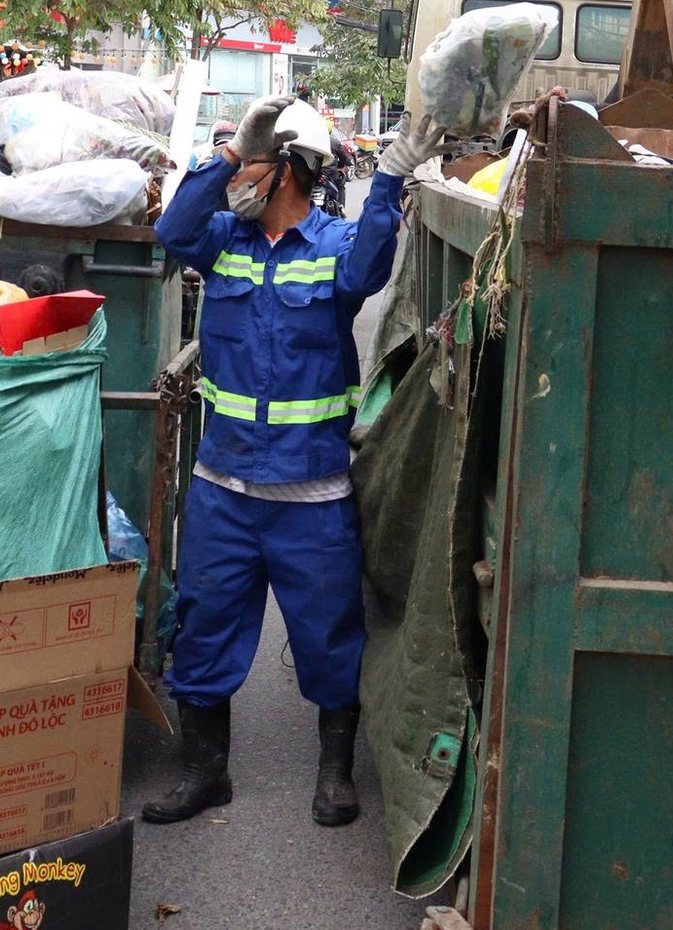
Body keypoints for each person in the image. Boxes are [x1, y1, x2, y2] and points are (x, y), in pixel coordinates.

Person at [146, 94, 440, 827]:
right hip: (225, 489)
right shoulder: (222, 241)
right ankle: (203, 772)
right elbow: (171, 229)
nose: (239, 179)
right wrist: (223, 157)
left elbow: (369, 271)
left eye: (250, 165)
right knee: (204, 625)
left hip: (312, 496)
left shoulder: (338, 245)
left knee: (329, 634)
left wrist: (395, 178)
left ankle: (335, 774)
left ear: (285, 173)